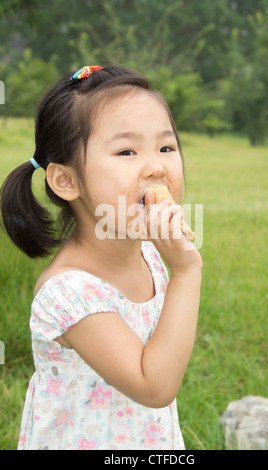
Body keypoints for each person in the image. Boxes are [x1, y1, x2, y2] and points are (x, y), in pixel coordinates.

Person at [0, 65, 203, 450]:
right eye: (127, 151)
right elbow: (154, 386)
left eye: (166, 147)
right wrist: (186, 272)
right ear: (66, 180)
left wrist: (174, 268)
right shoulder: (70, 292)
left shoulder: (149, 254)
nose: (157, 167)